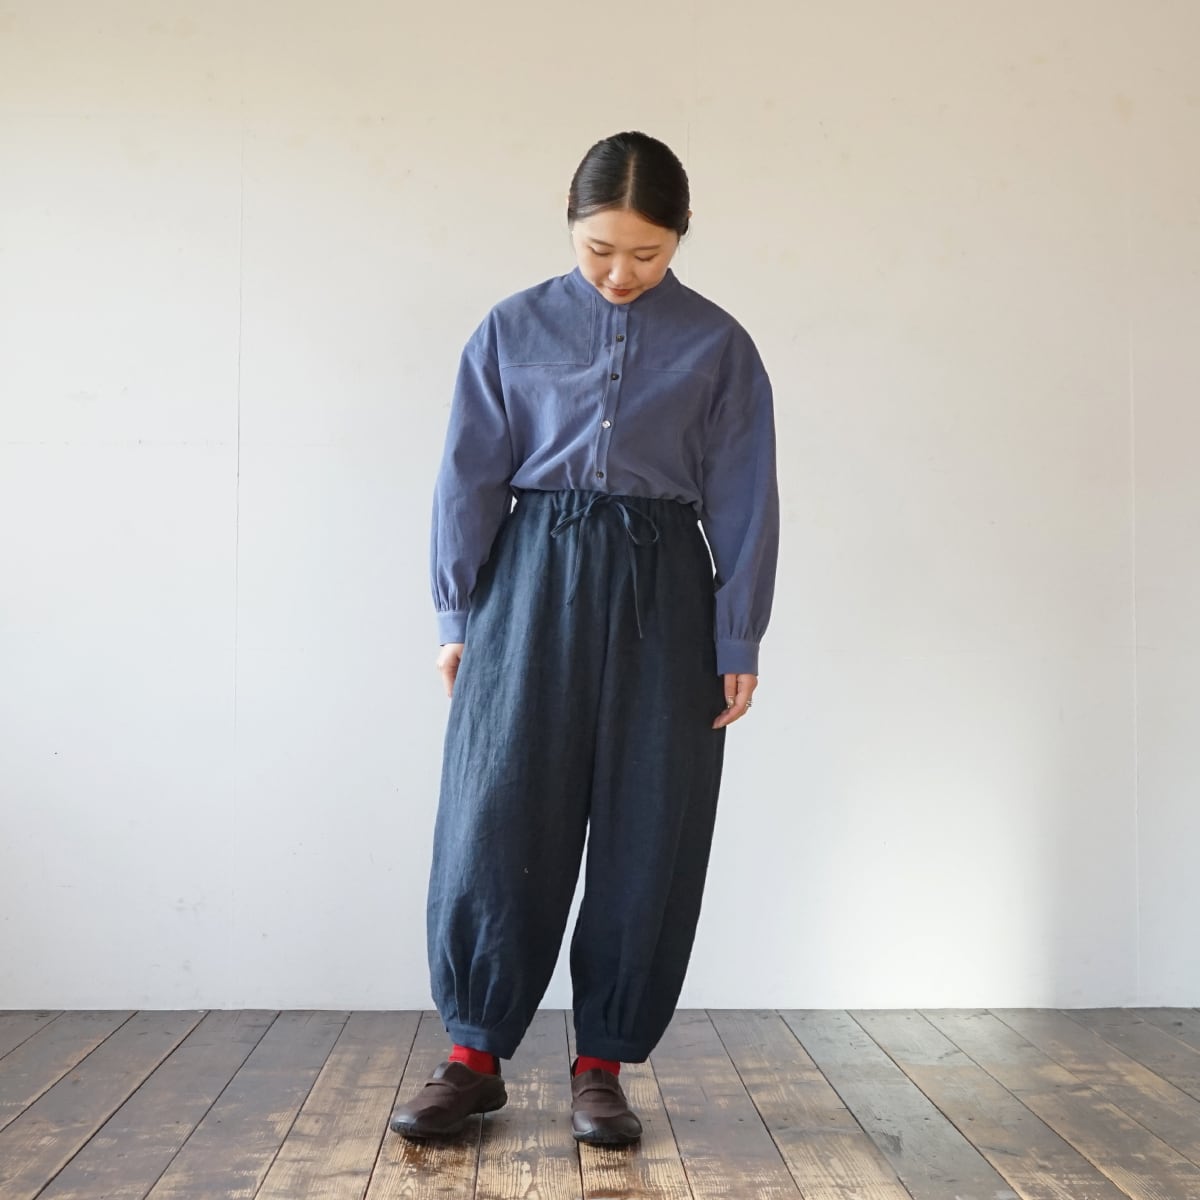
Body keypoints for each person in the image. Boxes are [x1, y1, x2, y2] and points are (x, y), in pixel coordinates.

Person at [389, 131, 779, 1146]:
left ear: (681, 238)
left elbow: (744, 497)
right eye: (599, 248)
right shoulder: (510, 329)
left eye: (646, 253)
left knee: (650, 821)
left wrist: (737, 636)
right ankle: (473, 1058)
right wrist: (455, 616)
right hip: (531, 578)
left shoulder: (720, 345)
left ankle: (601, 1064)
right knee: (498, 809)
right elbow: (468, 476)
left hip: (664, 586)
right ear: (570, 225)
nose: (619, 273)